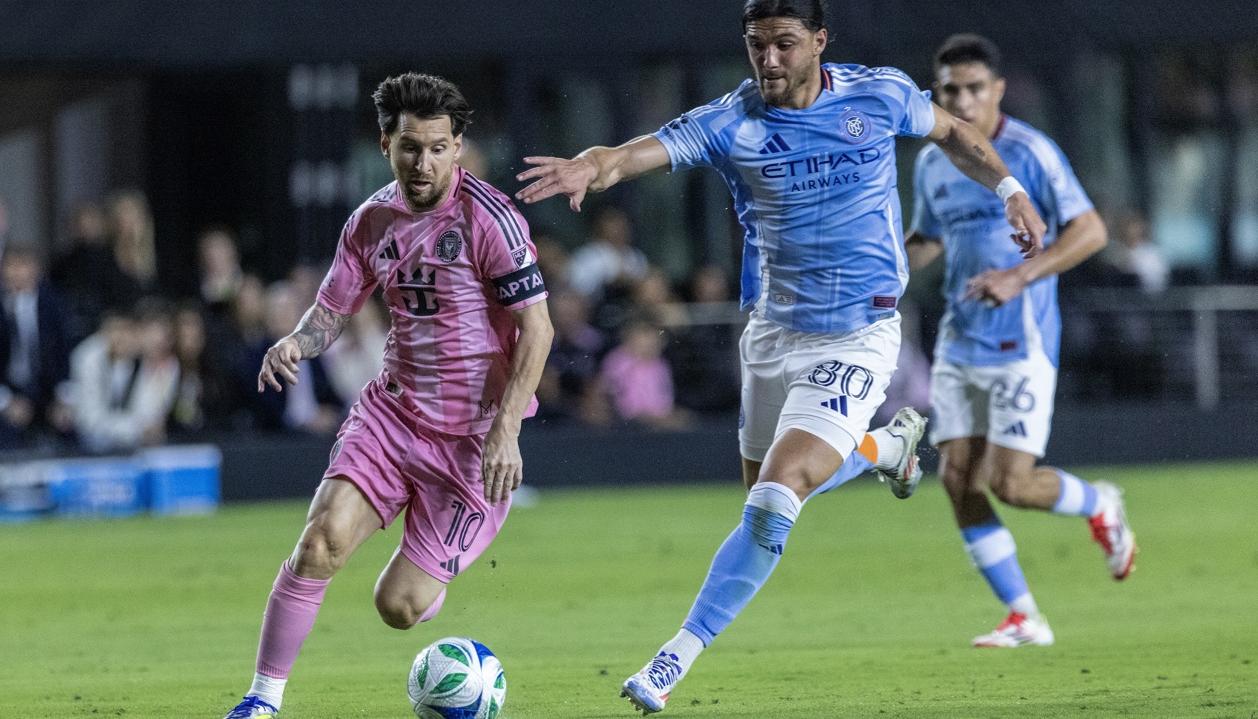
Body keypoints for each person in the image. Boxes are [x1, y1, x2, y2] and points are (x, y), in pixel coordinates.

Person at [515, 1, 1047, 711]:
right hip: (773, 335)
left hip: (861, 332)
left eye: (784, 44)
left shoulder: (879, 95)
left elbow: (952, 132)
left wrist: (1010, 188)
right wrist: (595, 164)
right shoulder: (733, 122)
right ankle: (885, 449)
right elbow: (639, 152)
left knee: (775, 500)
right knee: (762, 500)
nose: (768, 60)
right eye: (756, 44)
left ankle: (674, 657)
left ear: (820, 42)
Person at [224, 72, 552, 718]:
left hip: (472, 443)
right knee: (319, 541)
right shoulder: (370, 222)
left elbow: (538, 327)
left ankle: (429, 580)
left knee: (398, 605)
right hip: (392, 416)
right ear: (385, 144)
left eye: (436, 147)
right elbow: (331, 311)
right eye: (409, 147)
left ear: (458, 146)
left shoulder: (491, 222)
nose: (422, 162)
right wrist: (296, 341)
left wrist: (508, 427)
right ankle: (262, 700)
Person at [905, 34, 1135, 649]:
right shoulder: (933, 161)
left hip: (1022, 343)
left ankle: (1098, 501)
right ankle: (1024, 615)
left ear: (998, 90)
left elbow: (1089, 231)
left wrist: (1019, 275)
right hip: (959, 338)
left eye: (974, 87)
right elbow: (928, 237)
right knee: (957, 481)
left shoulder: (1031, 152)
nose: (962, 98)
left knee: (1010, 483)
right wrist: (885, 269)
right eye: (949, 89)